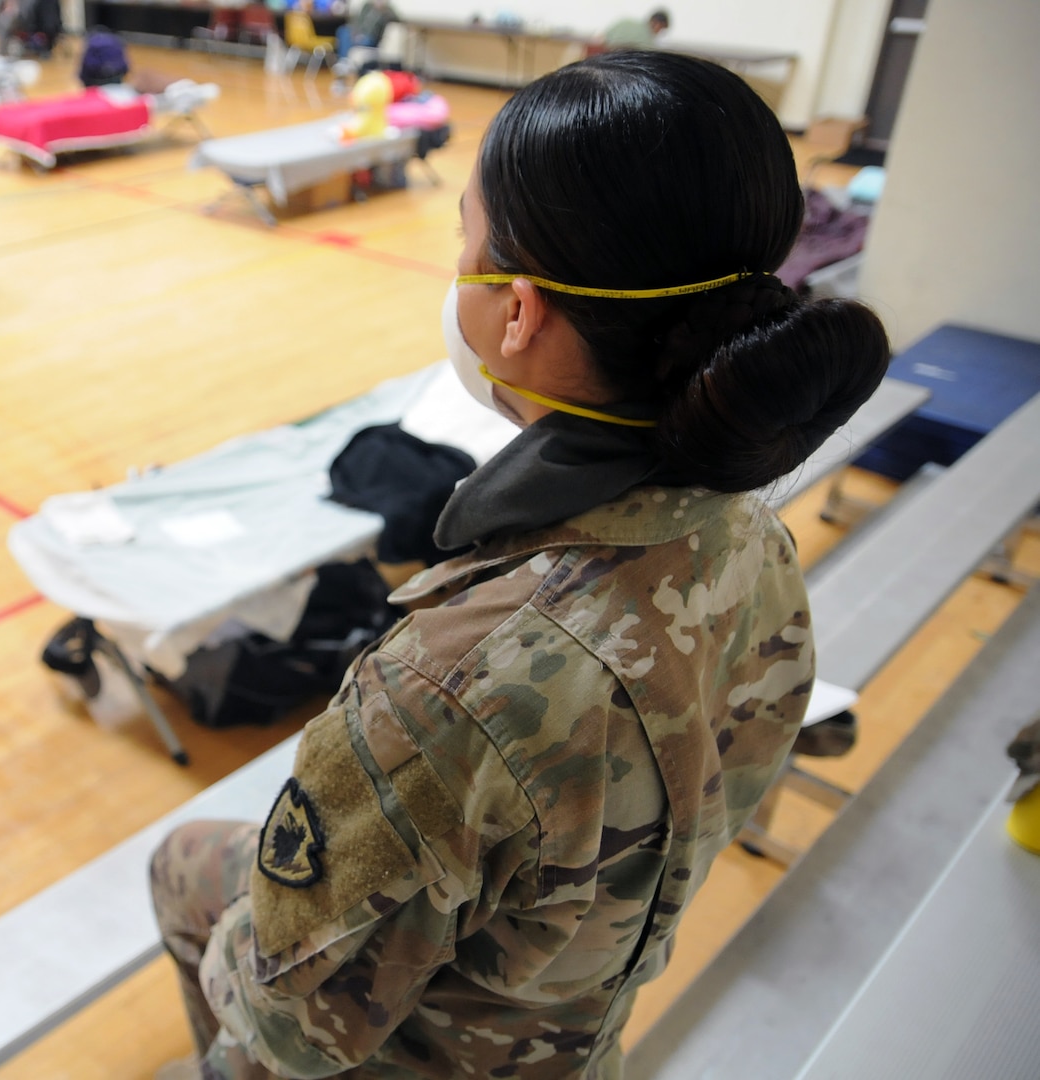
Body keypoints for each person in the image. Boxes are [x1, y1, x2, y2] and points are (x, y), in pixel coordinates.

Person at [149, 50, 890, 1080]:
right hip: (581, 1020)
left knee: (179, 866)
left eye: (466, 234)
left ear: (519, 310)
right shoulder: (747, 533)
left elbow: (296, 1026)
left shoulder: (449, 682)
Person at [601, 8, 669, 50]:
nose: (659, 32)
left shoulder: (626, 21)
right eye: (661, 29)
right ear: (657, 24)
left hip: (605, 55)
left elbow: (604, 37)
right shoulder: (647, 38)